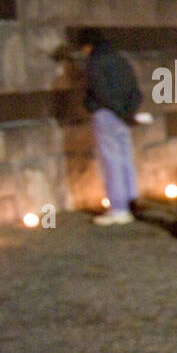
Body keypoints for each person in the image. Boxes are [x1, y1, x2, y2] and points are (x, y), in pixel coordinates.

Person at [77, 28, 142, 225]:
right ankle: (131, 200)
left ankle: (119, 208)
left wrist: (114, 110)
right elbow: (135, 90)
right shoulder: (121, 60)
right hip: (123, 115)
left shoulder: (95, 62)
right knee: (124, 157)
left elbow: (99, 91)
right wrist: (128, 112)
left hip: (107, 114)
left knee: (111, 161)